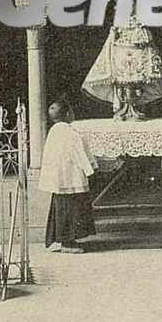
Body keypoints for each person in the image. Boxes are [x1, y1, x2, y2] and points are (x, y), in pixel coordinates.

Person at [39, 100, 97, 254]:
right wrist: (90, 169)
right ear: (67, 114)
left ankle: (58, 239)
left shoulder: (53, 131)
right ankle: (67, 243)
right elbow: (78, 153)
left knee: (60, 206)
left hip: (59, 178)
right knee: (71, 208)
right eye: (71, 111)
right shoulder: (71, 133)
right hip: (70, 177)